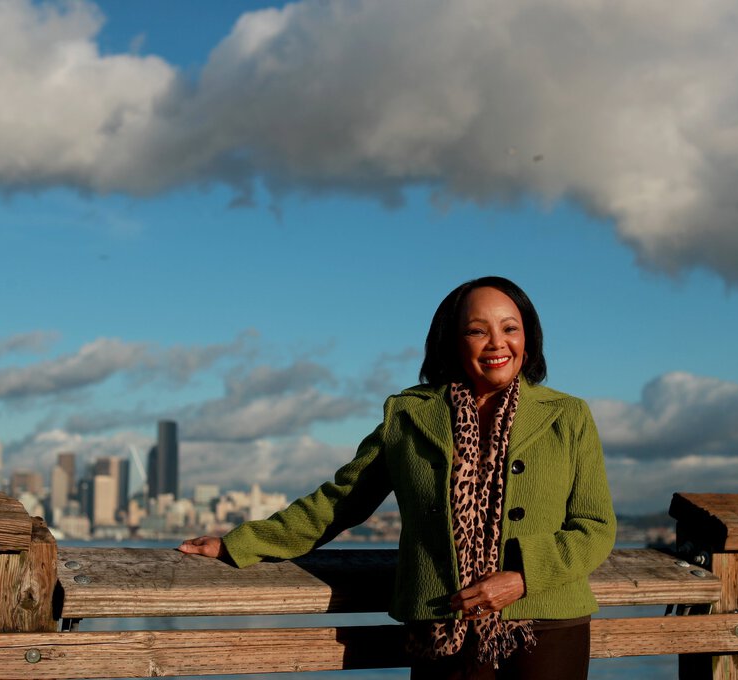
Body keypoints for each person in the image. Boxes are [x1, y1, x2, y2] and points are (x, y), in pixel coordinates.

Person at [180, 276, 616, 679]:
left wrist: (521, 578)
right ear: (453, 340)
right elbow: (339, 501)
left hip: (548, 626)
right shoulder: (409, 414)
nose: (496, 344)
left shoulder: (568, 415)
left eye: (510, 328)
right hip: (443, 622)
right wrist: (239, 544)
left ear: (528, 337)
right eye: (477, 330)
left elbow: (595, 528)